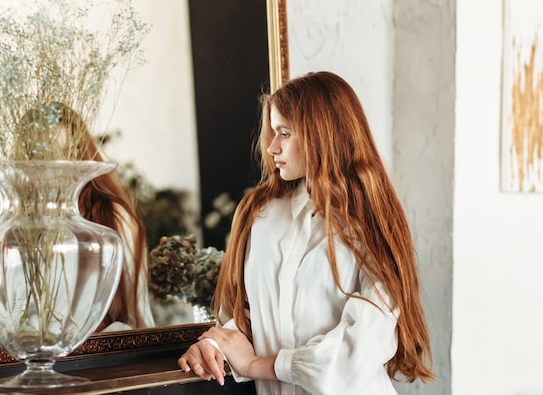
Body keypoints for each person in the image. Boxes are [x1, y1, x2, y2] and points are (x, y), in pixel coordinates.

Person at [177, 71, 435, 394]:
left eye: (284, 133)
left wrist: (256, 366)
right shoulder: (260, 214)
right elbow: (243, 319)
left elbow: (361, 348)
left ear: (323, 135)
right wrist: (214, 344)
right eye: (272, 132)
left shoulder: (370, 224)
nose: (271, 147)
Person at [24, 102, 155, 331]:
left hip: (102, 353)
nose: (57, 168)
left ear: (82, 156)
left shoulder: (112, 218)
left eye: (65, 154)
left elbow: (137, 316)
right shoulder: (18, 224)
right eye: (44, 155)